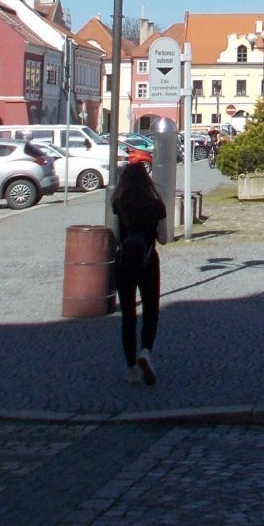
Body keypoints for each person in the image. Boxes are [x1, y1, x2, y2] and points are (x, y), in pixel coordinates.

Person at [110, 160, 167, 385]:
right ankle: (146, 351)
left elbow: (115, 236)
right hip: (148, 261)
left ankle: (131, 368)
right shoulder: (156, 204)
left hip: (124, 263)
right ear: (147, 180)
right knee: (151, 311)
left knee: (128, 315)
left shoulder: (119, 203)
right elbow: (163, 238)